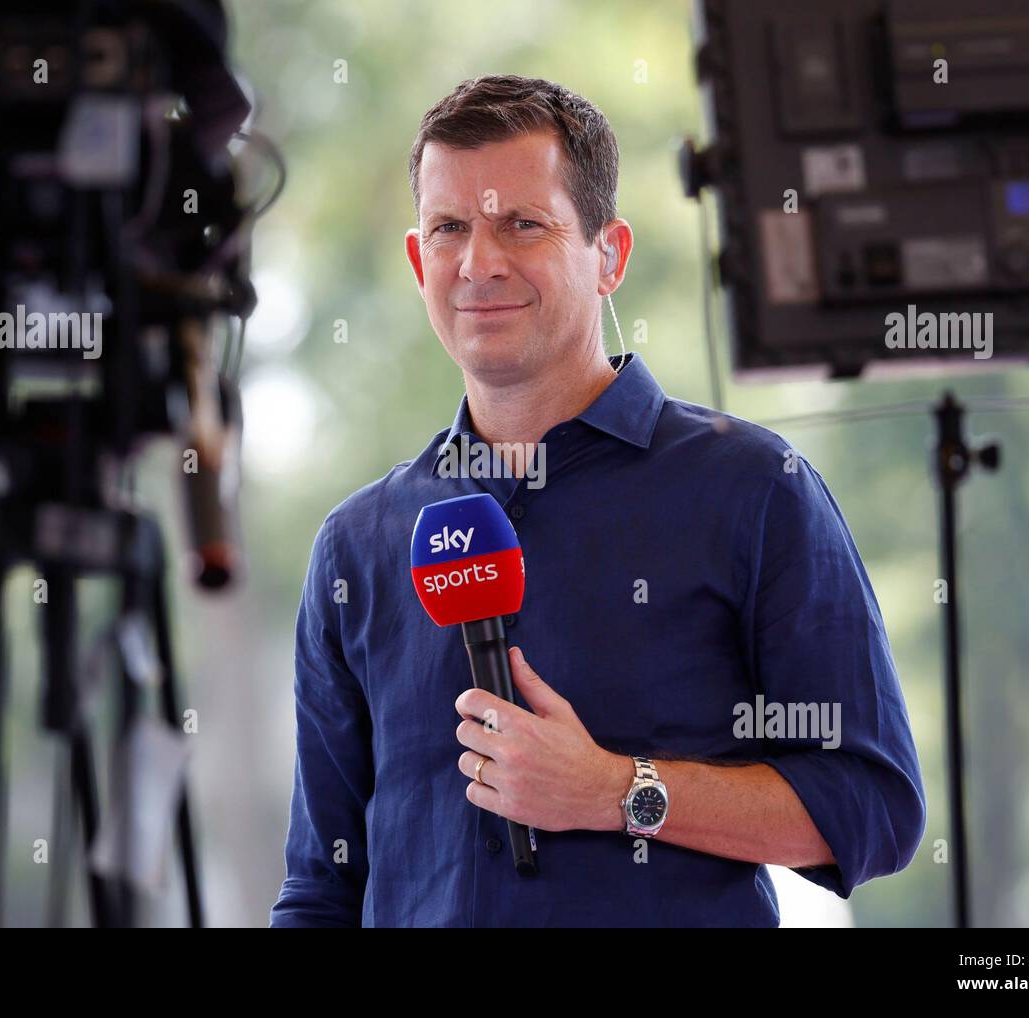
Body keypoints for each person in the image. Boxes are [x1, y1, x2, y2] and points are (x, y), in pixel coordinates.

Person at [270, 74, 925, 927]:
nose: (479, 263)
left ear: (608, 255)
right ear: (415, 258)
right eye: (449, 229)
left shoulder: (754, 488)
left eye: (522, 224)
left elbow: (873, 810)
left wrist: (619, 792)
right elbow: (322, 889)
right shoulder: (357, 545)